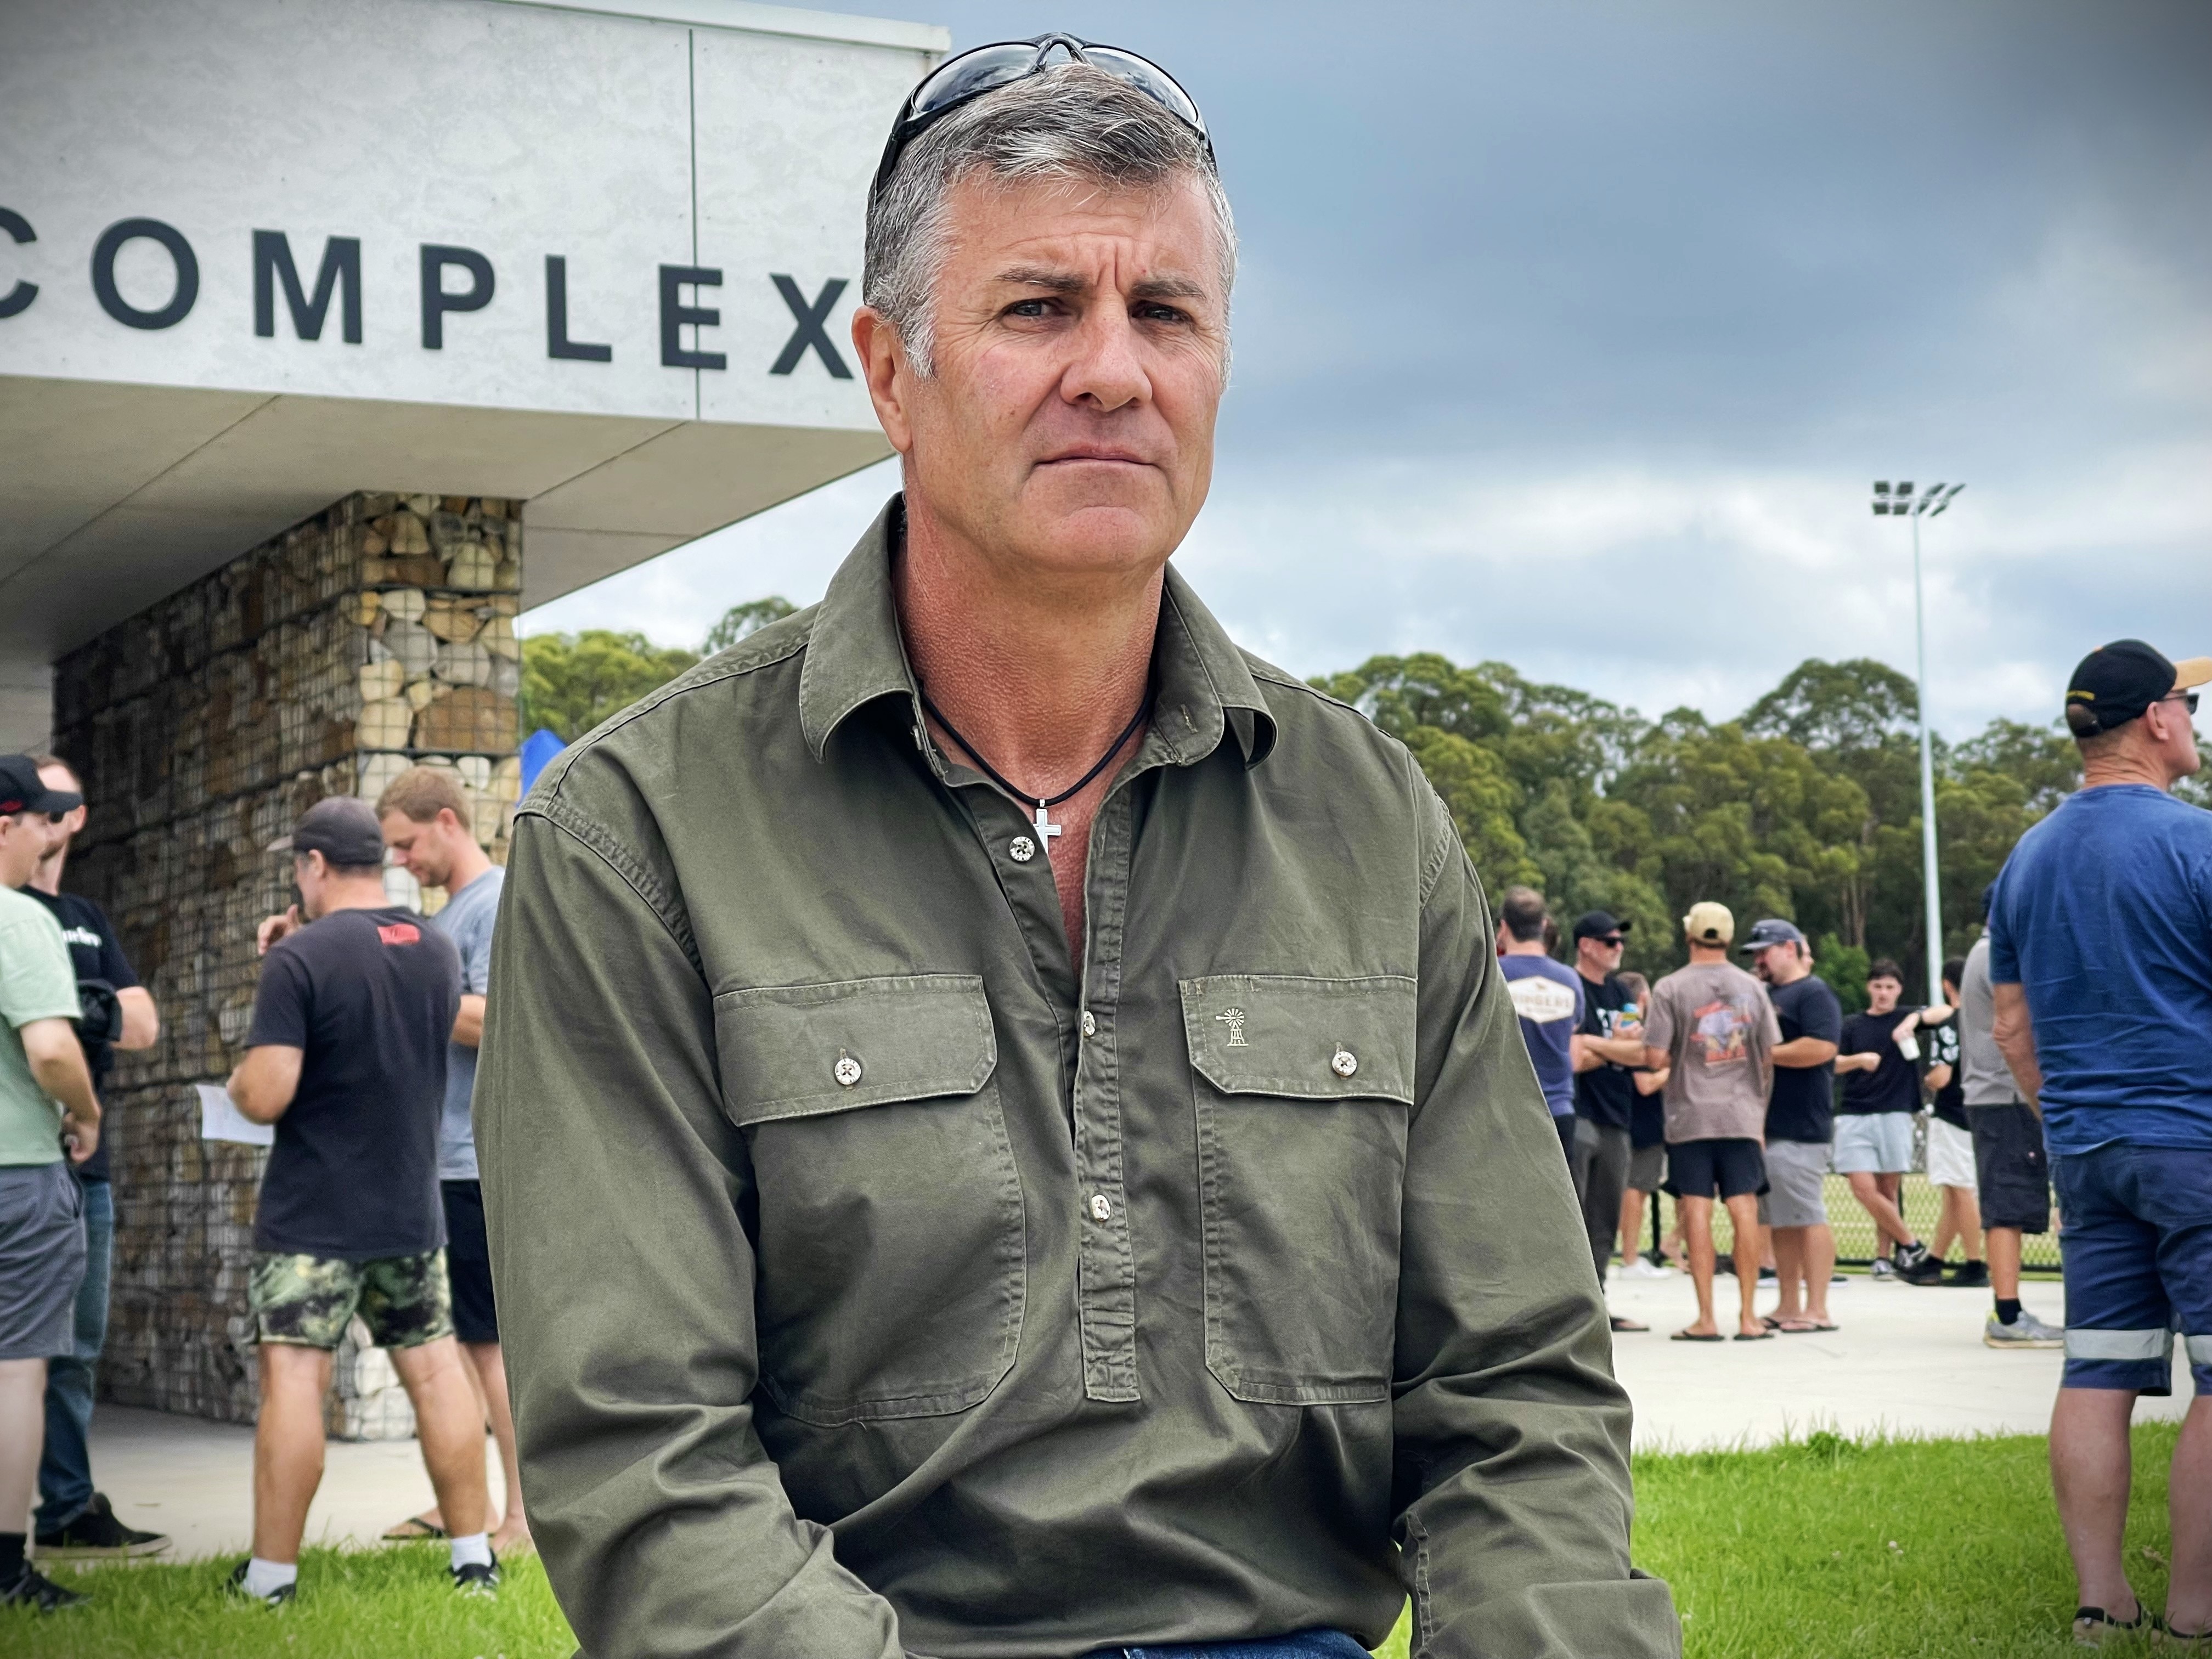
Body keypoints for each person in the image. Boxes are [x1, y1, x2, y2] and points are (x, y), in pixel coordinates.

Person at [477, 37, 1679, 1658]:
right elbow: (646, 1471)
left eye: (1166, 314)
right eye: (1039, 307)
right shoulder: (637, 840)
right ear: (889, 371)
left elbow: (1518, 1399)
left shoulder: (1370, 824)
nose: (1115, 370)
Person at [1987, 639, 2212, 1644]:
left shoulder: (2025, 855)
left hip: (2085, 1149)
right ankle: (2196, 1610)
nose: (2196, 724)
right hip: (2195, 1140)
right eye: (2189, 707)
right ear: (2157, 719)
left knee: (2097, 1367)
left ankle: (2101, 1601)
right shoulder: (2194, 843)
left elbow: (2008, 1024)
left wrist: (2068, 1115)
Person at [226, 797, 493, 1607]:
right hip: (411, 1208)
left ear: (313, 865)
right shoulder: (437, 951)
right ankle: (473, 1560)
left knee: (296, 1381)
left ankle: (271, 1581)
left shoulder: (301, 960)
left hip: (314, 1216)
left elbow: (267, 1094)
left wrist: (240, 1081)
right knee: (439, 1375)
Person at [373, 768, 526, 1556]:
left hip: (473, 1164)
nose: (403, 861)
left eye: (407, 844)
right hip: (432, 1165)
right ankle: (459, 1504)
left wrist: (400, 986)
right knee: (453, 1348)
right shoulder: (446, 916)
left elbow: (506, 1021)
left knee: (488, 1347)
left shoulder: (495, 902)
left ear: (445, 821)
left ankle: (522, 1520)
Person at [21, 757, 169, 1562]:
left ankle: (69, 1507)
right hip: (21, 1152)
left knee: (74, 1351)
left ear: (74, 817)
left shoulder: (82, 917)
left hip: (86, 1169)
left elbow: (142, 1024)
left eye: (56, 801)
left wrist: (71, 1002)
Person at [0, 756, 103, 1613]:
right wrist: (87, 1112)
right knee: (16, 1374)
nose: (47, 843)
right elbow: (52, 1050)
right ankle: (5, 1570)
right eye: (39, 824)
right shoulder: (19, 919)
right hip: (17, 1175)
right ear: (5, 825)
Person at [1640, 901, 1781, 1342]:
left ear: (1690, 936)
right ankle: (1749, 1318)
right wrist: (1758, 1109)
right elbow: (1768, 1054)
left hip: (1690, 1116)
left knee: (1696, 1210)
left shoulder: (1670, 987)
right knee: (1745, 1210)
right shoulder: (1752, 988)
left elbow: (1654, 1057)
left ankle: (1706, 1318)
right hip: (1741, 1115)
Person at [1956, 917, 2061, 1349]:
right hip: (2006, 1095)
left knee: (2008, 1202)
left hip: (1997, 1096)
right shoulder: (1996, 957)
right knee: (2007, 1205)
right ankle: (2008, 1315)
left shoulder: (1983, 954)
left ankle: (2009, 1312)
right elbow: (2017, 1025)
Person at [1741, 919, 1841, 1333]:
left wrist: (1766, 1055)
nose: (1758, 960)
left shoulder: (1813, 992)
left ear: (1789, 948)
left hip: (1802, 1125)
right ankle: (1787, 1304)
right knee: (1781, 1219)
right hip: (1771, 1125)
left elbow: (1822, 1046)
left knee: (1807, 1215)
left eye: (1764, 952)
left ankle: (1817, 1308)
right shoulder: (1769, 994)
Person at [1832, 960, 1946, 1284]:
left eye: (1890, 987)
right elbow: (1833, 1062)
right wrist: (1859, 1060)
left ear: (1899, 990)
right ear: (1869, 988)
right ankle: (1911, 1242)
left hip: (1896, 1111)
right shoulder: (1852, 1025)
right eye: (1878, 986)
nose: (1884, 993)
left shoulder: (1906, 1018)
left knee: (1888, 1189)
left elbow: (1945, 1012)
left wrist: (1911, 1020)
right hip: (1854, 1113)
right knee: (1863, 1187)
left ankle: (1884, 1257)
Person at [1566, 911, 1648, 1329]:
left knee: (1605, 1216)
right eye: (1610, 942)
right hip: (1580, 1112)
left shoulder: (1620, 993)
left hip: (1618, 1117)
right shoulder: (1570, 985)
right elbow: (1573, 1056)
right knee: (1573, 1214)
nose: (1619, 949)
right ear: (1586, 945)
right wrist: (1611, 1046)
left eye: (1620, 942)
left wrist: (1600, 1046)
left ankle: (1597, 1306)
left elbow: (1640, 1052)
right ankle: (1568, 1309)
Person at [1497, 887, 1585, 1165]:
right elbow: (1575, 1048)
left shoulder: (1494, 974)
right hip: (1559, 1111)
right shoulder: (1570, 980)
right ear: (1544, 925)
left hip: (1505, 1112)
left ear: (1504, 926)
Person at [1921, 957, 1985, 1287]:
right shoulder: (1982, 1019)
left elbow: (1942, 1077)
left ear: (1947, 986)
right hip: (1978, 1110)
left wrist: (1928, 1078)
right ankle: (1935, 1258)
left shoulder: (1949, 1024)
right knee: (1953, 1190)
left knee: (1961, 1190)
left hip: (1951, 1114)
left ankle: (1976, 1263)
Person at [1613, 970, 1676, 1278]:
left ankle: (1629, 1258)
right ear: (1641, 997)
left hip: (1632, 1119)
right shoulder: (1635, 1030)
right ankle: (1630, 1260)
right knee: (1636, 1190)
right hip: (1643, 1121)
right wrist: (1675, 1067)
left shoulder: (1619, 1029)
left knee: (1635, 1189)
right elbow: (1646, 1083)